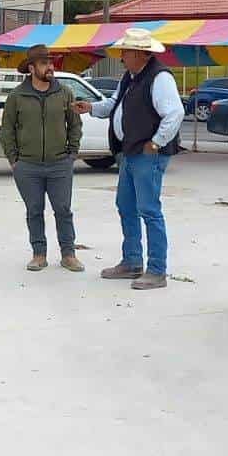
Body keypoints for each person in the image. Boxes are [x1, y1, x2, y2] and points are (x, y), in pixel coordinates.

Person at [72, 28, 184, 290]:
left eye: (125, 52)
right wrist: (90, 108)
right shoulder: (132, 76)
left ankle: (157, 270)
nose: (121, 57)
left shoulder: (160, 78)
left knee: (149, 210)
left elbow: (175, 114)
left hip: (147, 154)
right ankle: (132, 262)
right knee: (126, 206)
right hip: (131, 152)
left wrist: (156, 142)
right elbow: (114, 105)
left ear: (140, 54)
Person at [0, 44, 85, 272]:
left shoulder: (65, 93)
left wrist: (72, 154)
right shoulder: (17, 96)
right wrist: (14, 160)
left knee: (63, 209)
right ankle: (39, 254)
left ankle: (68, 254)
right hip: (27, 166)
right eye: (44, 63)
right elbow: (6, 129)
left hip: (60, 164)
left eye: (51, 62)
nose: (50, 67)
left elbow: (75, 125)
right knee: (34, 210)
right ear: (31, 68)